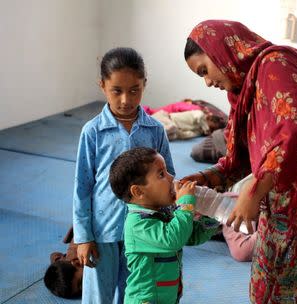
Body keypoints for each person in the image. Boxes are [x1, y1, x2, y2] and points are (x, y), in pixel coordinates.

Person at [182, 20, 297, 303]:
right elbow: (241, 157)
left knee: (295, 290)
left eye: (204, 70)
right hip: (279, 202)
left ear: (222, 51)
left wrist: (253, 191)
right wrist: (206, 179)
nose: (208, 82)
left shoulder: (276, 65)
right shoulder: (244, 88)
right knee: (273, 291)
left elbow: (295, 133)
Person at [72, 47, 174, 303]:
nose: (126, 100)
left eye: (134, 90)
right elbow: (82, 187)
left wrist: (171, 223)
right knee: (98, 297)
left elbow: (169, 177)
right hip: (103, 232)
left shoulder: (154, 130)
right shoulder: (92, 132)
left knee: (135, 295)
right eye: (116, 91)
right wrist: (83, 237)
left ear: (144, 85)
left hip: (143, 232)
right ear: (102, 85)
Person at [109, 147, 219, 304]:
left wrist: (211, 214)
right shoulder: (137, 225)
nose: (171, 177)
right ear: (138, 192)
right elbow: (173, 239)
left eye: (167, 171)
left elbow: (191, 236)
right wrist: (185, 205)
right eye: (161, 174)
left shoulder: (164, 212)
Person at [44, 227, 83, 298]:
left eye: (81, 282)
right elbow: (54, 256)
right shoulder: (66, 263)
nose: (85, 288)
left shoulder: (89, 250)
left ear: (77, 263)